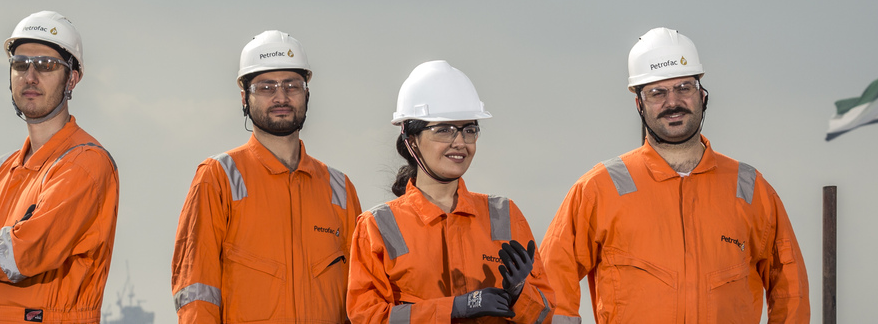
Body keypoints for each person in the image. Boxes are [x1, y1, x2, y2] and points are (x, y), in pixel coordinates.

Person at [541, 28, 810, 324]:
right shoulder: (599, 188)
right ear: (639, 104)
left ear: (702, 95)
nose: (673, 102)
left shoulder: (749, 188)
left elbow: (790, 288)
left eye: (684, 87)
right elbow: (551, 276)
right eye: (657, 92)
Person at [0, 10, 120, 324]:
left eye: (46, 65)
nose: (30, 76)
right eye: (20, 64)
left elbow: (27, 253)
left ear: (72, 77)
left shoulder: (85, 163)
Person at [172, 30, 363, 324]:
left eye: (292, 85)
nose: (281, 96)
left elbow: (360, 297)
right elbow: (197, 289)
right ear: (244, 98)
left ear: (307, 94)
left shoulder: (339, 188)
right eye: (265, 87)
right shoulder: (219, 177)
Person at [347, 60, 558, 324]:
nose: (459, 142)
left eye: (469, 130)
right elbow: (367, 317)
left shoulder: (505, 215)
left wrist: (519, 293)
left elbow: (545, 315)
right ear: (411, 140)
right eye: (443, 130)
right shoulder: (377, 227)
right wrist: (456, 308)